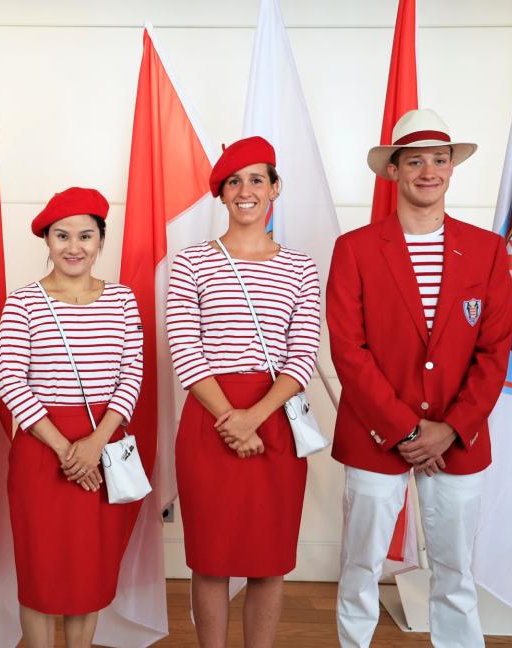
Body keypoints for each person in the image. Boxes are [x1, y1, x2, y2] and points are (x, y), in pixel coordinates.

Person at [328, 109, 512, 648]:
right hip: (376, 436)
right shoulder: (356, 249)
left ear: (452, 169)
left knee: (455, 571)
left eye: (439, 159)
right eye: (415, 161)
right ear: (394, 172)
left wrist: (450, 428)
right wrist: (408, 431)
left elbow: (494, 349)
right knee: (361, 565)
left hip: (459, 440)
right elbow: (349, 350)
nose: (428, 171)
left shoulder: (486, 250)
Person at [166, 136, 320, 648]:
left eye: (257, 179)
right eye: (234, 181)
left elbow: (303, 357)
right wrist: (232, 418)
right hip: (210, 419)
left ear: (275, 189)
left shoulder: (301, 267)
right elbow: (186, 351)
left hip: (275, 416)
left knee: (268, 561)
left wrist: (254, 417)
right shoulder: (190, 263)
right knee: (210, 559)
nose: (245, 190)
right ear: (222, 195)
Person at [0, 187, 144, 648]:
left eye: (85, 235)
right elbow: (11, 381)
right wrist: (66, 450)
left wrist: (94, 444)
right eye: (62, 236)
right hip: (42, 451)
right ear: (47, 241)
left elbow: (131, 375)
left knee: (88, 572)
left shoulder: (122, 300)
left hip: (102, 447)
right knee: (39, 571)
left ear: (101, 239)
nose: (73, 247)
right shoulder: (23, 303)